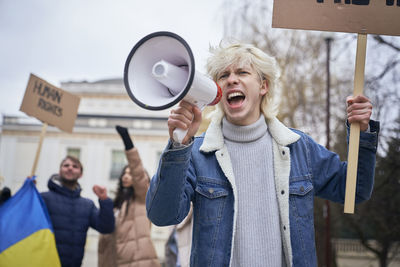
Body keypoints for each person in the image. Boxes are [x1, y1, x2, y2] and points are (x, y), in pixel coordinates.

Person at [145, 42, 380, 267]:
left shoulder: (300, 148)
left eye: (242, 72)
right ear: (216, 91)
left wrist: (363, 132)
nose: (232, 80)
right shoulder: (197, 153)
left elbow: (355, 190)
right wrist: (179, 145)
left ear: (263, 86)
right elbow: (163, 215)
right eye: (223, 76)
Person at [98, 125, 160, 267]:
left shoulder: (141, 198)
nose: (126, 176)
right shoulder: (117, 203)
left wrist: (127, 142)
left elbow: (137, 171)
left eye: (130, 173)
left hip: (139, 261)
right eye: (124, 173)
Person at [41, 155, 115, 267]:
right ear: (60, 171)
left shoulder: (87, 205)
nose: (70, 168)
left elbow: (106, 227)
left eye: (75, 166)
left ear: (81, 174)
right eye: (66, 165)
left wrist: (105, 201)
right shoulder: (43, 198)